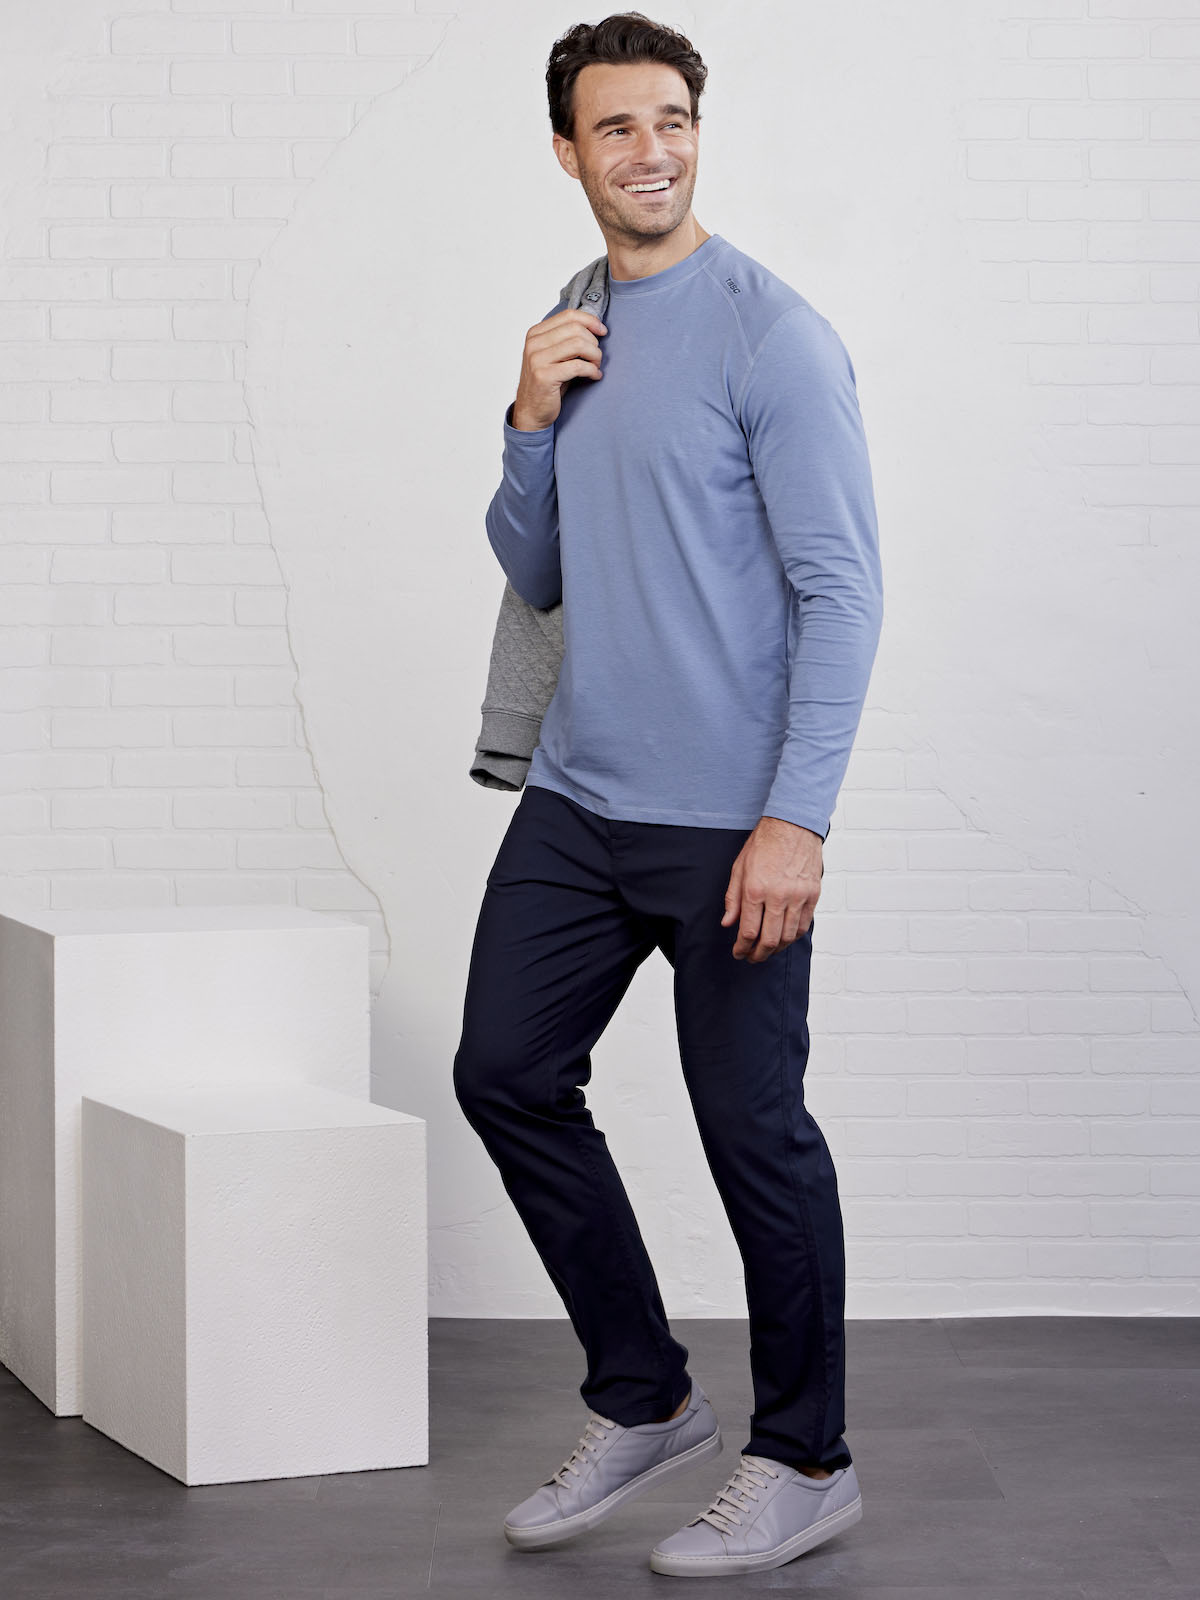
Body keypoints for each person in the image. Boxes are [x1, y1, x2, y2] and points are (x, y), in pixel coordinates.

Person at [452, 10, 883, 1579]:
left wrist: (798, 820)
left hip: (730, 823)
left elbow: (843, 591)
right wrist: (527, 423)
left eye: (673, 121)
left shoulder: (774, 337)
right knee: (505, 1072)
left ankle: (808, 1459)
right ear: (566, 151)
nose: (652, 151)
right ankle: (645, 1397)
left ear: (699, 133)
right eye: (617, 128)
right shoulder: (575, 323)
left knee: (752, 1133)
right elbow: (541, 568)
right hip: (580, 798)